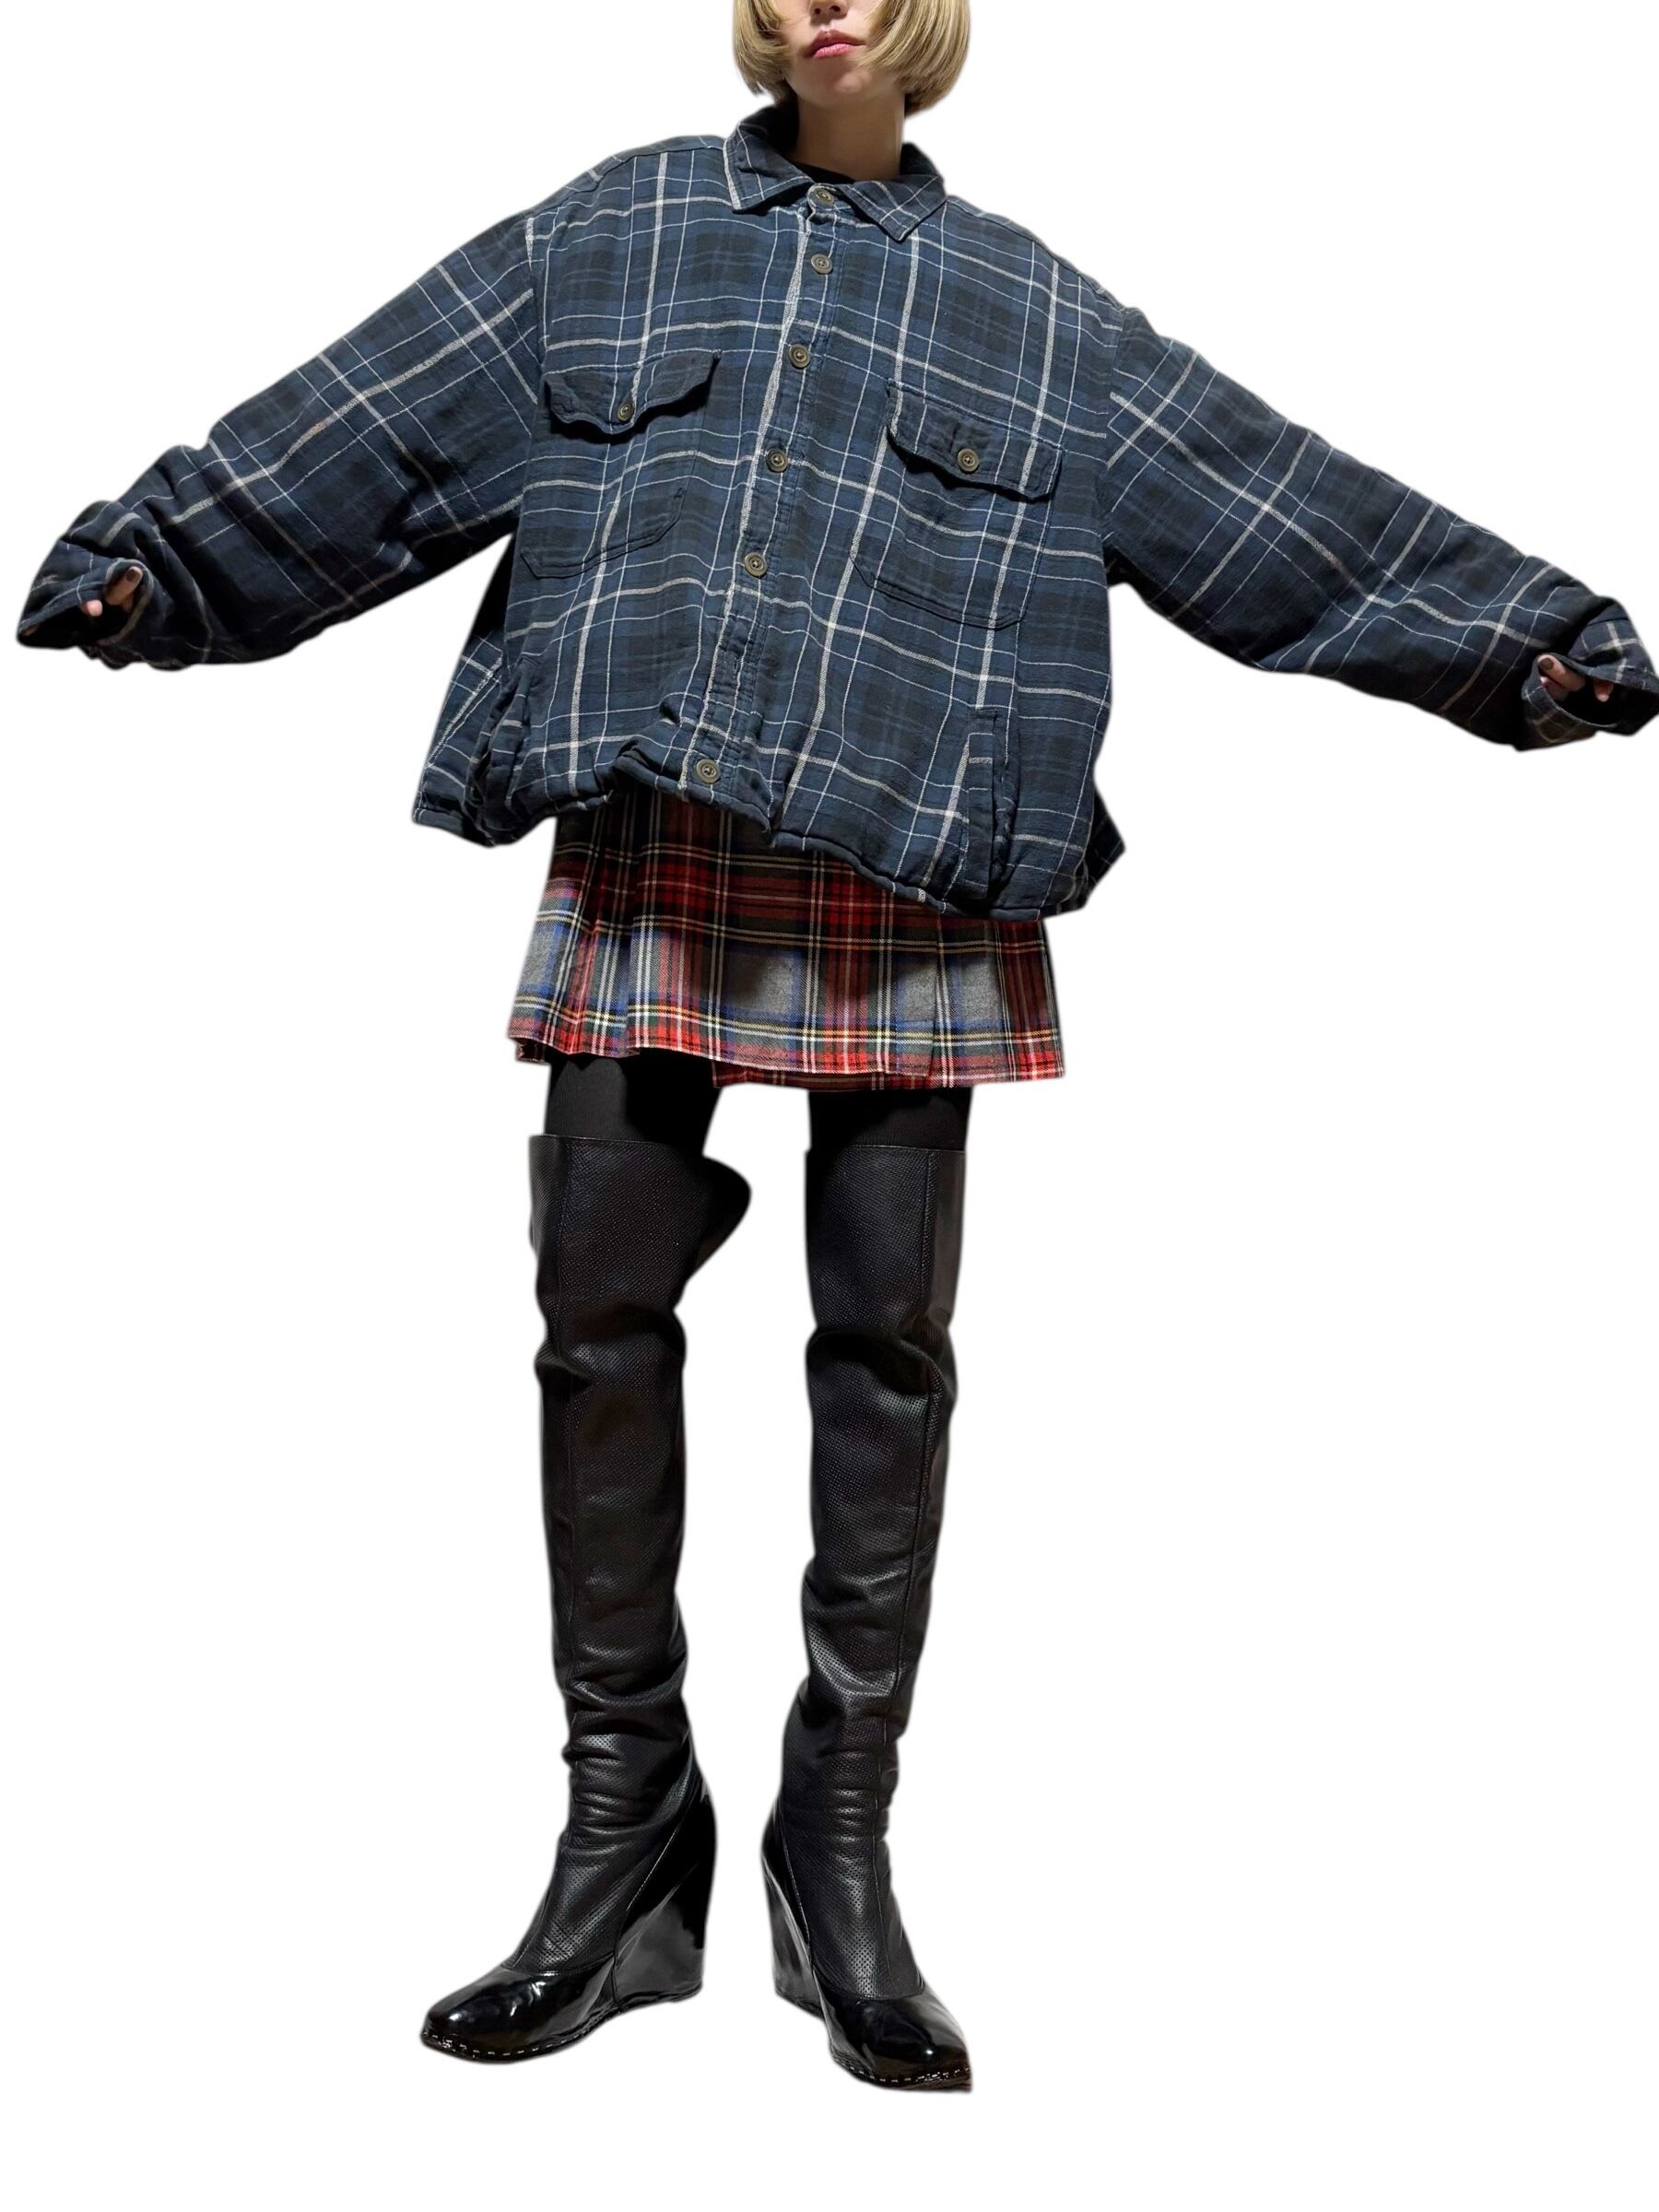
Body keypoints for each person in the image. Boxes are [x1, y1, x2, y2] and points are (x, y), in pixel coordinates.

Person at [17, 0, 1655, 2097]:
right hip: (654, 840)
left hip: (918, 860)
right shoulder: (612, 233)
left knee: (888, 1350)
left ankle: (839, 1851)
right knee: (594, 1322)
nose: (828, 0)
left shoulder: (1039, 317)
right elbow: (381, 425)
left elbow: (1278, 513)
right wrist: (158, 563)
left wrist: (1527, 646)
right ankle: (624, 1844)